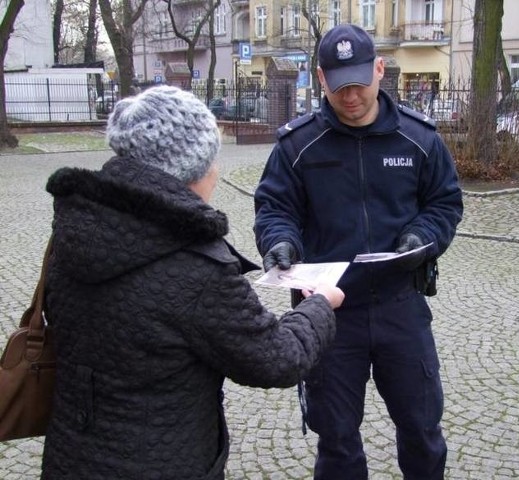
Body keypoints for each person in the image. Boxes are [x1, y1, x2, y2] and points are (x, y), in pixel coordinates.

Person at [40, 85, 344, 480]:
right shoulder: (196, 265)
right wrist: (320, 304)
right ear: (193, 168)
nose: (216, 171)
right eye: (212, 159)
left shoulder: (76, 228)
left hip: (72, 459)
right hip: (165, 462)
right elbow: (276, 360)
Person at [254, 24, 463, 480]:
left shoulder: (419, 139)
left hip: (401, 307)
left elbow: (444, 203)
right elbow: (274, 208)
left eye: (360, 82)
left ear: (380, 70)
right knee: (337, 439)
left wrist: (420, 237)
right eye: (339, 84)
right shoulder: (297, 145)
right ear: (321, 79)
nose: (351, 95)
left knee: (422, 430)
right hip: (329, 315)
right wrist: (280, 242)